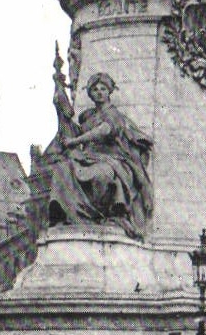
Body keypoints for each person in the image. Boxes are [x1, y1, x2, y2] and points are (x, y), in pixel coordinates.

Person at [48, 72, 154, 239]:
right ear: (90, 93)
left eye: (103, 89)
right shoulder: (87, 116)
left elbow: (103, 131)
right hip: (88, 157)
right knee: (62, 169)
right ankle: (65, 215)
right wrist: (61, 108)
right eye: (95, 89)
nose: (99, 92)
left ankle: (100, 215)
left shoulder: (113, 114)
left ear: (109, 91)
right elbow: (74, 128)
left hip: (112, 158)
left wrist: (75, 141)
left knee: (101, 174)